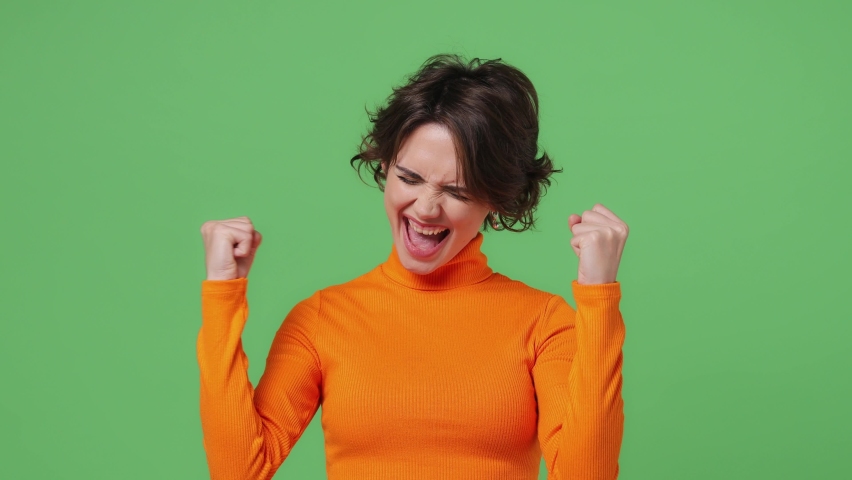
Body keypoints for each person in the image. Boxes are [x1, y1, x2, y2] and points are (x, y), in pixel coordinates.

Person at [197, 53, 629, 479]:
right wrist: (222, 294)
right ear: (385, 166)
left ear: (495, 201)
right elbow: (239, 472)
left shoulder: (544, 323)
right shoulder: (320, 320)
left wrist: (597, 297)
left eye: (457, 191)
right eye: (409, 177)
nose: (425, 208)